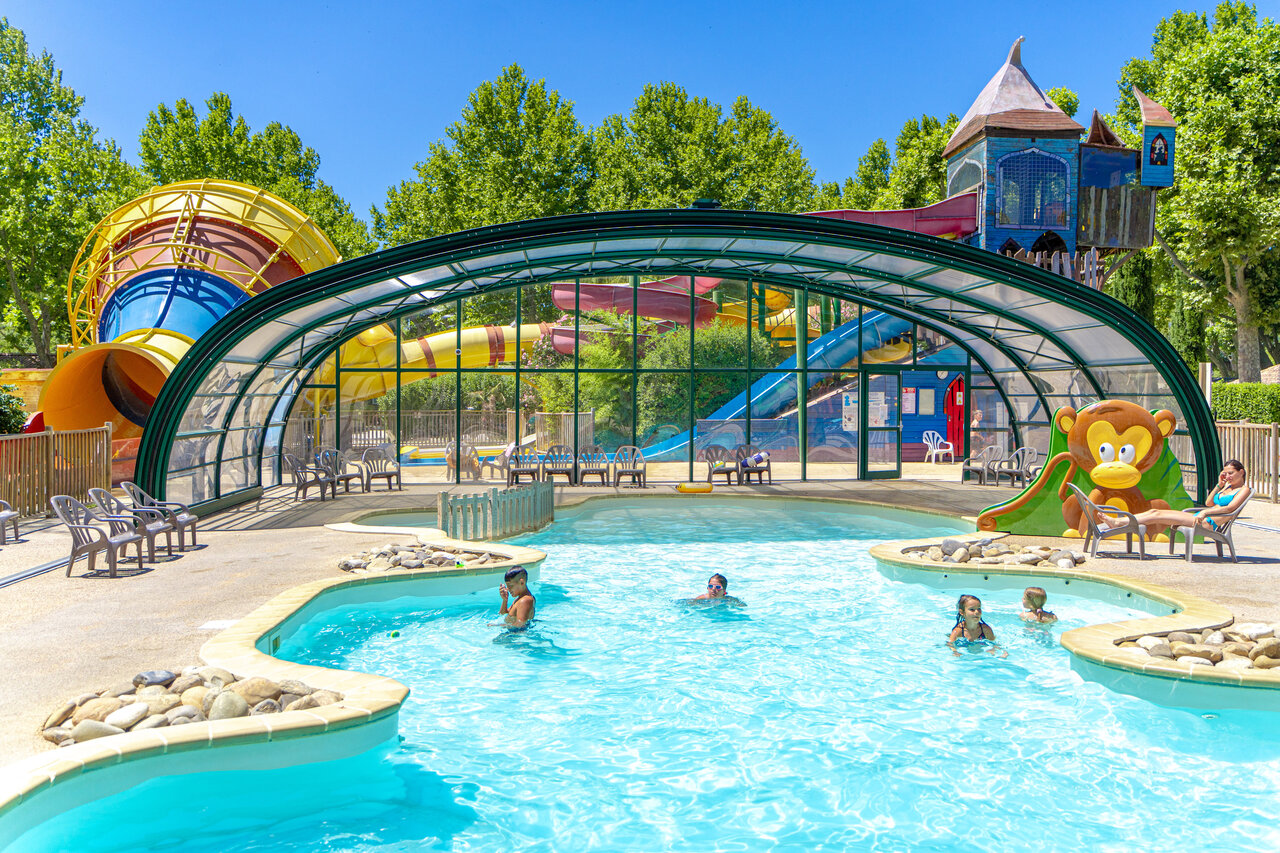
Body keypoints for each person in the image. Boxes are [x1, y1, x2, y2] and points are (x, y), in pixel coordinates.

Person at [1132, 460, 1251, 536]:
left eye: (1231, 473)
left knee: (1157, 515)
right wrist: (1219, 485)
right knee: (1155, 512)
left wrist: (1205, 512)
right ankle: (1122, 522)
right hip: (1199, 518)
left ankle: (1120, 523)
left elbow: (1230, 508)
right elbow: (1209, 502)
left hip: (1207, 523)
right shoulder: (1226, 487)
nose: (1228, 476)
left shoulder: (1244, 490)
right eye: (1226, 474)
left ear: (1241, 472)